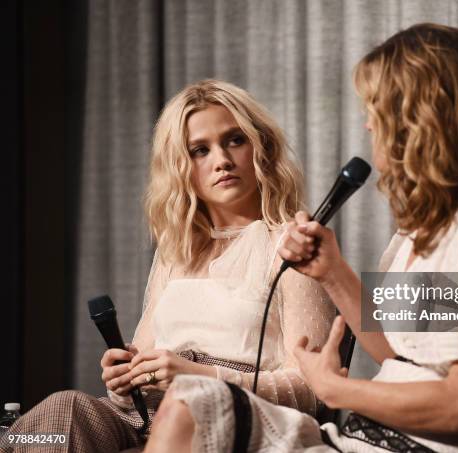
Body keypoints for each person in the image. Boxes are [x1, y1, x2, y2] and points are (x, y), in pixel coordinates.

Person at [143, 23, 458, 453]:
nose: (368, 124)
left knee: (195, 400)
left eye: (377, 109)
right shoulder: (423, 231)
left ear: (422, 118)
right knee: (193, 405)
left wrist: (335, 390)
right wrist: (332, 271)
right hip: (356, 440)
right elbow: (394, 353)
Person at [4, 80, 334, 452]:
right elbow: (138, 382)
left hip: (237, 418)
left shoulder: (294, 246)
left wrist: (197, 377)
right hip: (150, 417)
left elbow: (312, 390)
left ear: (262, 147)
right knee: (62, 411)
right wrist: (125, 379)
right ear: (180, 167)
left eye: (235, 140)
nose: (222, 160)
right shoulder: (176, 253)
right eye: (200, 150)